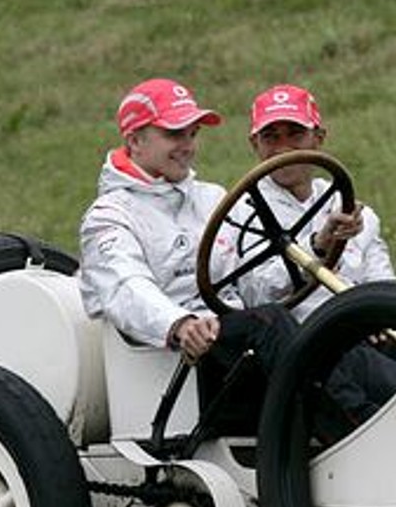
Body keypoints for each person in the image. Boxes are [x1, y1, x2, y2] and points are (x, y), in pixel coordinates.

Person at [78, 77, 296, 431]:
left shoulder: (213, 198)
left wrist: (319, 248)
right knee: (270, 324)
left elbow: (254, 284)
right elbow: (126, 288)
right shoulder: (109, 216)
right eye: (174, 134)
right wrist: (179, 324)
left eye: (192, 134)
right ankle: (355, 430)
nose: (188, 146)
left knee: (342, 329)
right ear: (135, 140)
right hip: (181, 364)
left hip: (237, 343)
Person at [243, 83, 396, 319]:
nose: (283, 149)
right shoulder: (240, 214)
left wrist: (380, 318)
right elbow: (254, 295)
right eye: (270, 137)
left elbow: (385, 284)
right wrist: (318, 246)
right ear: (255, 145)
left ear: (318, 138)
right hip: (301, 337)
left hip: (364, 329)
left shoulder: (349, 208)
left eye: (295, 134)